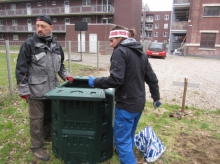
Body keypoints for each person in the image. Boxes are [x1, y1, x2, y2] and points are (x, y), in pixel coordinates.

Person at [88, 25, 161, 164]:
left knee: (122, 141)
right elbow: (152, 78)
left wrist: (95, 82)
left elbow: (116, 79)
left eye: (112, 40)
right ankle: (125, 155)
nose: (110, 44)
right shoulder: (141, 53)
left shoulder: (120, 51)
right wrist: (156, 97)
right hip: (139, 104)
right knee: (129, 134)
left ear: (120, 38)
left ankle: (126, 157)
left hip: (126, 105)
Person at [15, 15, 73, 161]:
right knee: (36, 121)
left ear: (51, 28)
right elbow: (21, 69)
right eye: (38, 26)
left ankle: (47, 136)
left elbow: (61, 66)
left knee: (51, 117)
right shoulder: (29, 44)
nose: (39, 29)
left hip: (53, 90)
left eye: (43, 26)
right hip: (35, 91)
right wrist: (23, 90)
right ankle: (37, 147)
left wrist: (66, 75)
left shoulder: (56, 45)